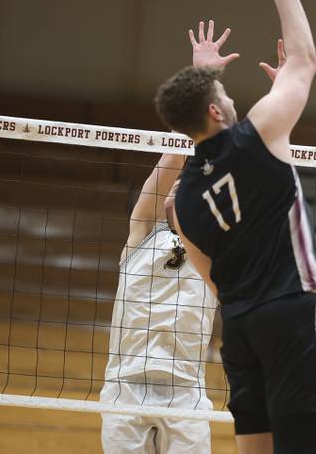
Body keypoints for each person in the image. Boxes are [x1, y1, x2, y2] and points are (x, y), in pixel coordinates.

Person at [153, 0, 316, 454]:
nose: (230, 96)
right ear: (215, 111)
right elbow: (305, 61)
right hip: (294, 317)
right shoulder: (257, 133)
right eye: (222, 91)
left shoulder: (182, 201)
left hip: (240, 328)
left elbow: (214, 281)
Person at [99, 148, 217, 454]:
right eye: (175, 188)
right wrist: (194, 133)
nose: (179, 193)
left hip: (186, 391)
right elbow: (171, 160)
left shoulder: (214, 251)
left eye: (188, 192)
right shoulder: (143, 231)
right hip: (126, 385)